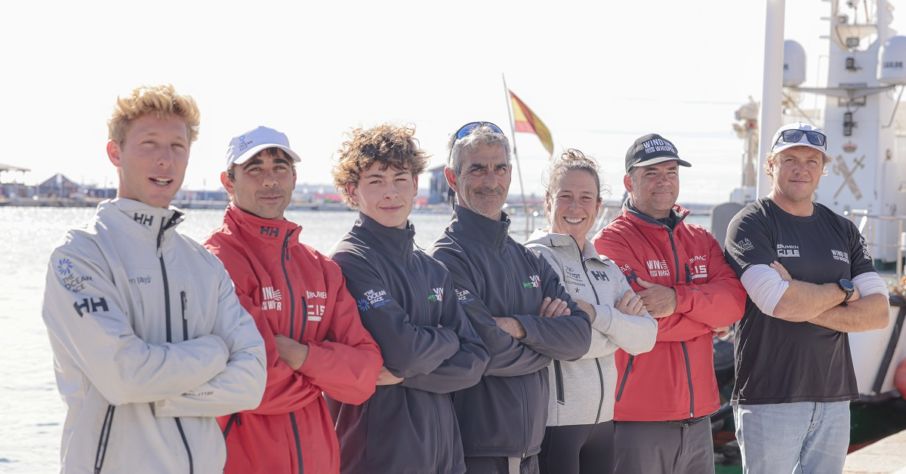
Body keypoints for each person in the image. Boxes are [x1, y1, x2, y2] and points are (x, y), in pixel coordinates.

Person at [41, 84, 267, 473]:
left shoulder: (204, 264)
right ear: (115, 152)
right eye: (149, 144)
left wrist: (159, 396)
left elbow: (251, 384)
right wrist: (215, 352)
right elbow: (124, 377)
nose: (165, 160)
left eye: (177, 146)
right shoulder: (80, 256)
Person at [204, 126, 384, 474]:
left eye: (280, 167)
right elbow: (256, 384)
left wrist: (300, 355)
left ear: (294, 177)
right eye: (254, 169)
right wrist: (325, 378)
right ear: (228, 182)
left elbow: (364, 375)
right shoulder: (216, 262)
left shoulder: (321, 269)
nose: (270, 180)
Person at [724, 122, 890, 473]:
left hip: (834, 398)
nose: (801, 169)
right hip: (770, 397)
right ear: (771, 165)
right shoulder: (751, 223)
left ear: (823, 169)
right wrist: (844, 291)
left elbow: (878, 313)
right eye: (790, 160)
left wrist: (800, 296)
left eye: (812, 161)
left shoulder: (843, 229)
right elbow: (778, 303)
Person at [428, 121, 592, 474]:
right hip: (474, 454)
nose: (491, 180)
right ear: (452, 178)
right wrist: (547, 348)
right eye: (477, 169)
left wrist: (519, 327)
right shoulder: (445, 259)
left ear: (510, 174)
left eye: (500, 168)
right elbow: (486, 350)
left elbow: (580, 337)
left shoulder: (527, 258)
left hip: (531, 452)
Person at [329, 124, 490, 474]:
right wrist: (449, 338)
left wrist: (404, 376)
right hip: (379, 456)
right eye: (376, 181)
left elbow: (476, 361)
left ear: (415, 185)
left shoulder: (432, 269)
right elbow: (403, 352)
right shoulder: (350, 261)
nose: (391, 192)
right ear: (352, 190)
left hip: (444, 455)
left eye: (400, 179)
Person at [592, 133, 746, 474]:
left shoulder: (701, 239)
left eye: (671, 172)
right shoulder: (612, 242)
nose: (663, 181)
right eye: (651, 173)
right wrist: (707, 320)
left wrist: (677, 299)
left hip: (699, 420)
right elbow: (643, 324)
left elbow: (735, 304)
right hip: (636, 422)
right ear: (629, 182)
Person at [525, 149, 657, 474]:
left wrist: (597, 315)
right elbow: (566, 343)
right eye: (565, 196)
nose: (575, 207)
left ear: (598, 206)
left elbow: (647, 338)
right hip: (557, 423)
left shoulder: (607, 268)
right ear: (548, 202)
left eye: (586, 198)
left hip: (604, 423)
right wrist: (620, 330)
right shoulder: (535, 259)